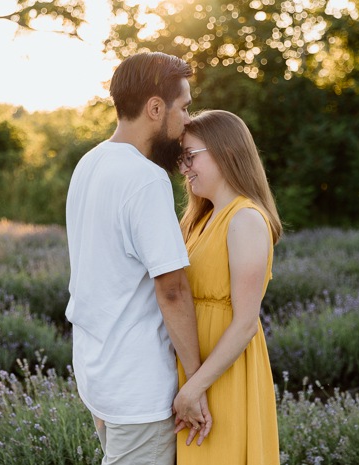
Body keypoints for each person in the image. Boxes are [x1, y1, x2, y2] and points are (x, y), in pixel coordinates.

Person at [65, 52, 212, 465]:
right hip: (138, 387)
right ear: (154, 107)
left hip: (98, 374)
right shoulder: (144, 178)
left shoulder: (89, 164)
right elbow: (172, 290)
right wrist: (197, 382)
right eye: (183, 107)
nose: (187, 120)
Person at [173, 109, 283, 464]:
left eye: (190, 156)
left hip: (224, 374)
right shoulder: (201, 219)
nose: (184, 167)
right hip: (197, 370)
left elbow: (246, 323)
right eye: (181, 159)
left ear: (225, 151)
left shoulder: (246, 219)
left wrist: (195, 387)